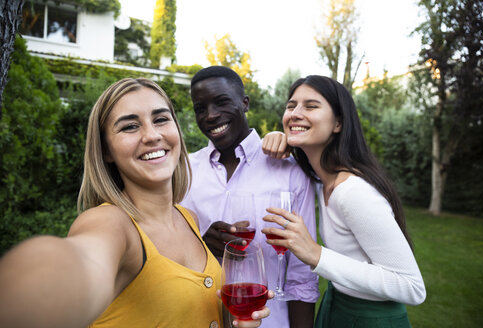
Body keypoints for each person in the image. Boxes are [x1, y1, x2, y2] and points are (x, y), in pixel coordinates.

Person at [0, 77, 272, 328]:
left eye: (161, 119)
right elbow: (74, 267)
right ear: (106, 150)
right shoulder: (111, 223)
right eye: (130, 126)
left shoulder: (189, 218)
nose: (152, 135)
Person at [261, 75, 426, 327]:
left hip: (372, 320)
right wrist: (279, 137)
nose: (295, 113)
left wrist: (317, 255)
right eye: (291, 106)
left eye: (311, 106)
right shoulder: (321, 178)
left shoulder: (353, 191)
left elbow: (411, 287)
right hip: (337, 306)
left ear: (338, 123)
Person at [180, 66, 319, 328]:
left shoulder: (290, 171)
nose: (211, 115)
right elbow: (167, 257)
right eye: (201, 108)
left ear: (245, 103)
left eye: (221, 102)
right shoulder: (183, 171)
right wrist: (200, 245)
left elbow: (302, 277)